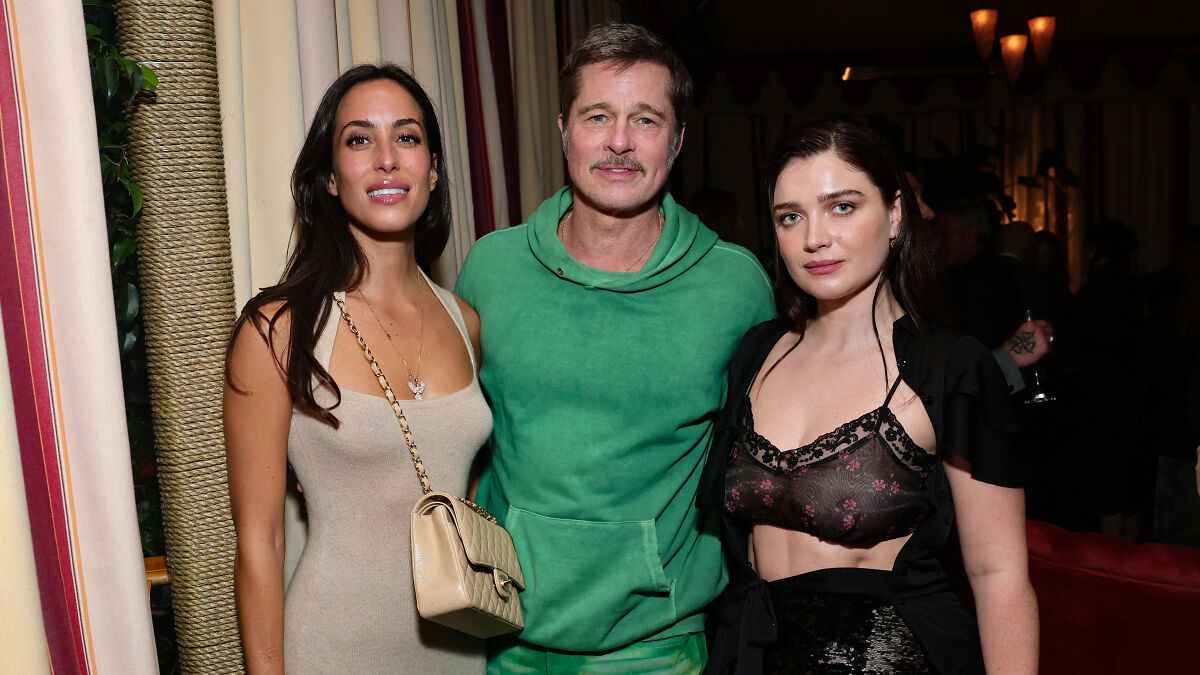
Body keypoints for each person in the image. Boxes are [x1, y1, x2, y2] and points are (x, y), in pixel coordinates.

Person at [454, 23, 775, 673]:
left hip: (656, 649)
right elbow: (456, 436)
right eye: (598, 116)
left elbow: (768, 469)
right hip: (501, 638)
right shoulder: (491, 268)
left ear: (679, 139)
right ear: (565, 129)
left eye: (646, 119)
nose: (620, 142)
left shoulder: (735, 285)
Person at [699, 118, 1039, 674]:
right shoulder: (756, 352)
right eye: (791, 216)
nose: (814, 238)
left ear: (897, 214)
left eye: (842, 206)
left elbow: (998, 577)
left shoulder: (950, 368)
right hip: (750, 655)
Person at [224, 64, 490, 673]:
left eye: (408, 136)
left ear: (434, 169)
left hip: (463, 651)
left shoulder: (466, 323)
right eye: (359, 139)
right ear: (330, 180)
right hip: (336, 645)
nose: (387, 159)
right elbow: (260, 545)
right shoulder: (279, 330)